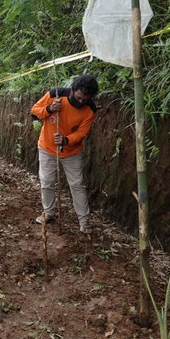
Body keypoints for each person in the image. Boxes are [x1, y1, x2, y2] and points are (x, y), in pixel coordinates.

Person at [30, 75, 99, 234]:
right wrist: (50, 109)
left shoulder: (90, 109)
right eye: (78, 97)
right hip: (47, 147)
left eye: (85, 99)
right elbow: (34, 112)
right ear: (73, 90)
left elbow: (82, 133)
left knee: (77, 184)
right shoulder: (56, 94)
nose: (81, 102)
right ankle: (49, 213)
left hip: (71, 151)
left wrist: (66, 140)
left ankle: (84, 220)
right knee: (47, 182)